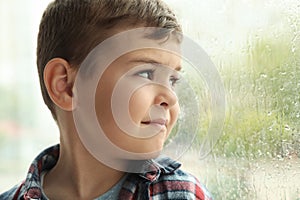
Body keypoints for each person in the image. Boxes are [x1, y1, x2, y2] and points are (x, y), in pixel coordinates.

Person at [0, 0, 213, 199]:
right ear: (66, 86)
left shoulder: (180, 194)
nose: (170, 97)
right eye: (146, 73)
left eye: (173, 80)